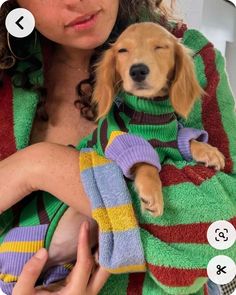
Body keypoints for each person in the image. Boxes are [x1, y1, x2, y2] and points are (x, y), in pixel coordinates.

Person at [0, 0, 235, 294]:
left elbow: (221, 236)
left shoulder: (192, 55)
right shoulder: (7, 71)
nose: (77, 1)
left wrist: (41, 166)